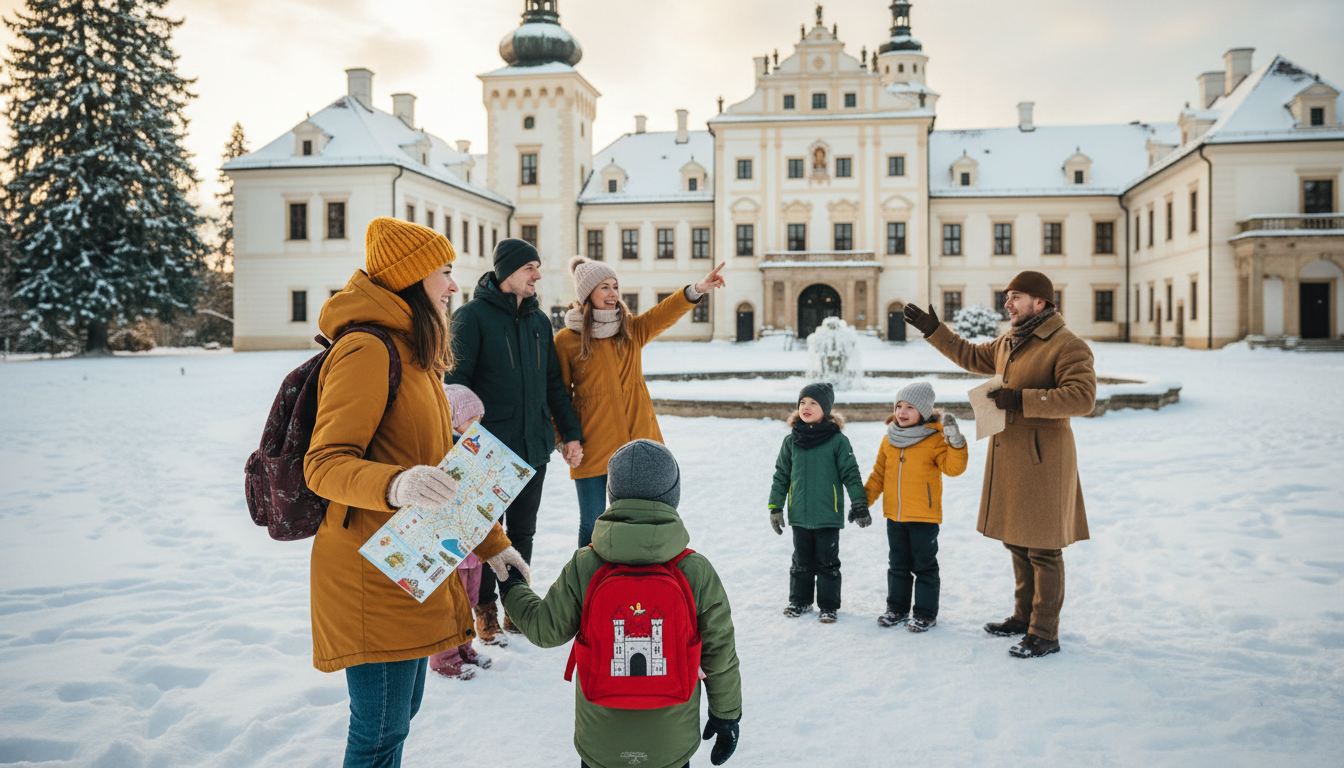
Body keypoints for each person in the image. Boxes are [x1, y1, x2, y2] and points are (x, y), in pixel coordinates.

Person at [304, 217, 530, 765]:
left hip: (409, 564)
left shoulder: (416, 355)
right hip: (369, 572)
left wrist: (494, 545)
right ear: (411, 280)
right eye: (445, 273)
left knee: (398, 721)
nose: (454, 286)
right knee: (379, 732)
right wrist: (395, 483)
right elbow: (324, 464)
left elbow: (443, 473)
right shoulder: (367, 350)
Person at [498, 439, 742, 768]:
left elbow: (545, 630)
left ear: (612, 495)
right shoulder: (694, 570)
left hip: (601, 742)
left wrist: (512, 585)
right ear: (672, 496)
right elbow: (720, 652)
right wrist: (726, 715)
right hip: (670, 743)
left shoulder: (587, 564)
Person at [904, 270, 1096, 658]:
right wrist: (934, 329)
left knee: (1043, 547)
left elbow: (1082, 398)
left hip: (1044, 459)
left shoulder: (1068, 345)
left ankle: (1044, 632)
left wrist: (1023, 399)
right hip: (1011, 455)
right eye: (1007, 297)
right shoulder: (1011, 340)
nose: (1007, 304)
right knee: (1017, 541)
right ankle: (1023, 617)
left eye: (1016, 297)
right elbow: (971, 355)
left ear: (1040, 303)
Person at [446, 238, 584, 645]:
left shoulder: (540, 321)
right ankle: (484, 610)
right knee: (487, 534)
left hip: (534, 445)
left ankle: (517, 607)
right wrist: (466, 436)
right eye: (530, 268)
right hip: (488, 449)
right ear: (508, 271)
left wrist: (569, 432)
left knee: (524, 532)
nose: (537, 276)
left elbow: (553, 385)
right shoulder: (470, 318)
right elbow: (454, 385)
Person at [555, 256, 727, 548]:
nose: (613, 294)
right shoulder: (566, 340)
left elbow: (663, 313)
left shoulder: (630, 330)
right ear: (586, 295)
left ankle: (637, 583)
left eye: (615, 286)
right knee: (593, 522)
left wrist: (696, 289)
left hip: (638, 446)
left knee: (642, 520)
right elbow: (557, 395)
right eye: (604, 288)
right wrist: (563, 440)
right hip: (592, 445)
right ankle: (586, 586)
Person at [862, 382, 969, 632]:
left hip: (923, 517)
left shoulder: (934, 439)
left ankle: (924, 613)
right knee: (897, 566)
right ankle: (896, 609)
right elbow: (878, 474)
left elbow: (953, 469)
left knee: (924, 567)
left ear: (924, 411)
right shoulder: (889, 439)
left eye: (910, 407)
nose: (902, 411)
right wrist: (863, 502)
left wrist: (955, 444)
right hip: (894, 516)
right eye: (899, 405)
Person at [767, 383, 870, 623]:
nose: (806, 407)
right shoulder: (791, 441)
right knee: (801, 562)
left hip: (827, 514)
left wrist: (860, 505)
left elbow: (851, 474)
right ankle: (799, 601)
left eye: (814, 403)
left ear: (825, 409)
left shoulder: (837, 441)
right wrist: (775, 507)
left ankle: (828, 605)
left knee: (828, 563)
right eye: (803, 402)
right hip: (800, 514)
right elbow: (781, 476)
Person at [426, 384, 492, 680]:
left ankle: (466, 647)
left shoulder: (475, 451)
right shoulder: (441, 451)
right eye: (471, 421)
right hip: (450, 542)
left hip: (473, 542)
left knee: (469, 598)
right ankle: (445, 657)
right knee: (448, 603)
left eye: (480, 421)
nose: (476, 427)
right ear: (451, 420)